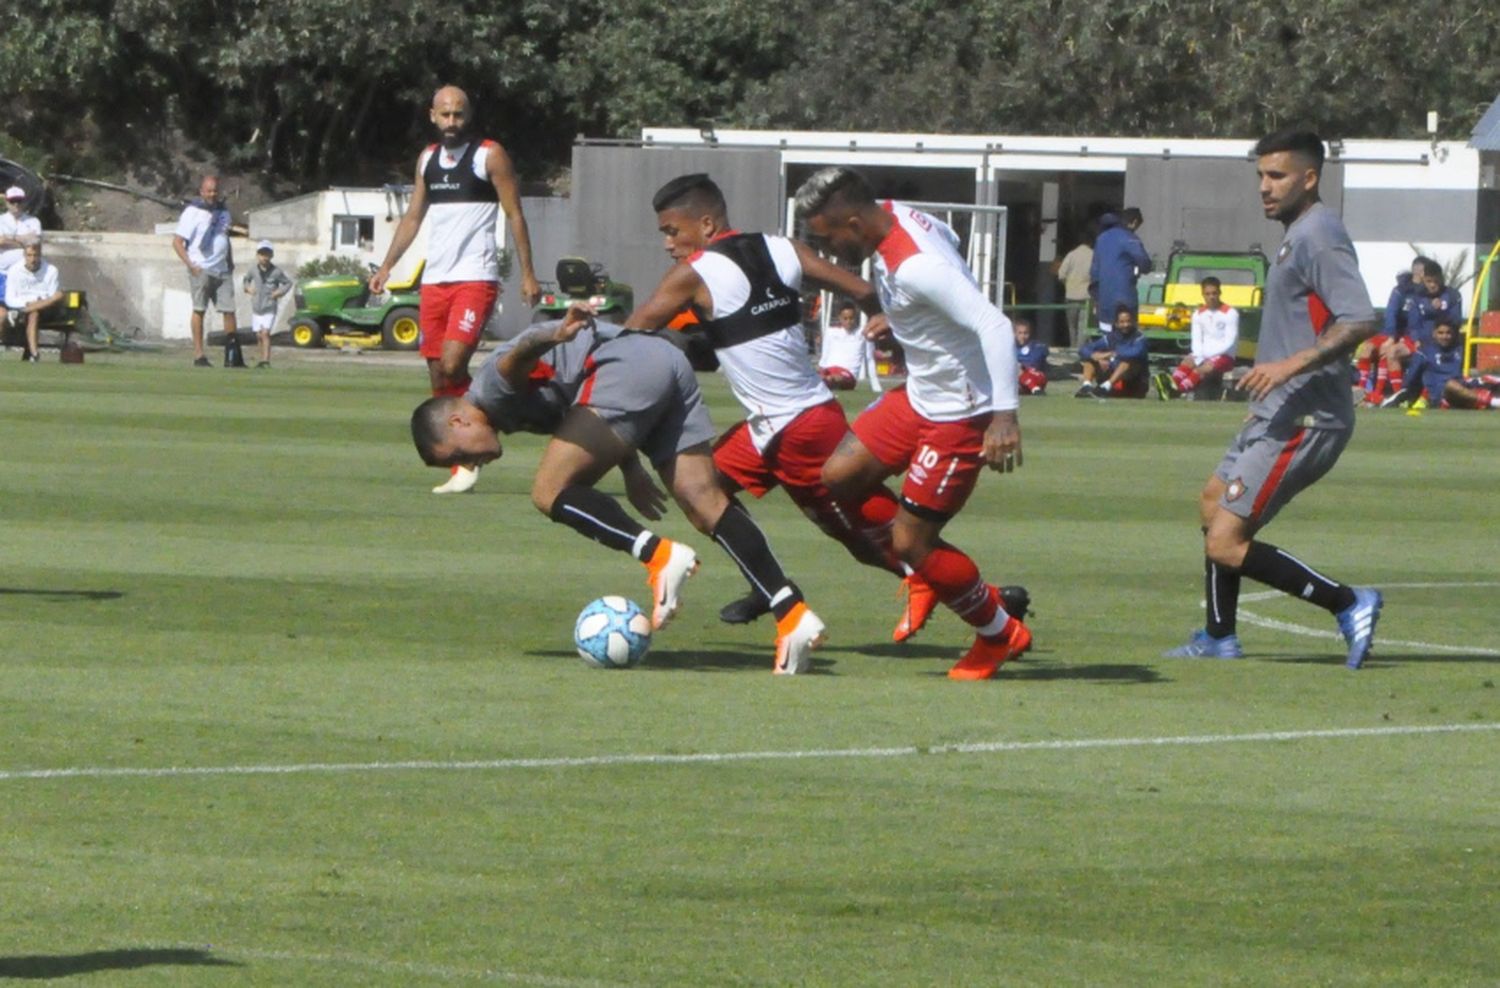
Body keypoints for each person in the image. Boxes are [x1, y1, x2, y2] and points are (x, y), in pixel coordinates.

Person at [410, 303, 828, 674]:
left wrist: (553, 333)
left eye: (455, 456)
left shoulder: (489, 389)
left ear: (456, 423)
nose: (465, 465)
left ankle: (661, 556)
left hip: (624, 365)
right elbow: (584, 417)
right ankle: (791, 611)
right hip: (663, 361)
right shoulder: (502, 414)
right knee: (706, 502)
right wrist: (629, 466)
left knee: (549, 491)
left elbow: (518, 354)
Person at [625, 173, 925, 638]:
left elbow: (630, 338)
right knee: (702, 489)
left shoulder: (693, 273)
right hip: (768, 427)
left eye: (672, 231)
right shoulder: (782, 247)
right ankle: (772, 587)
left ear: (705, 224)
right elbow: (865, 293)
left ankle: (980, 597)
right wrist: (889, 330)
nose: (668, 243)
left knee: (865, 539)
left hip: (802, 431)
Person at [794, 166, 1032, 681]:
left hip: (960, 414)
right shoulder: (897, 217)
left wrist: (1004, 415)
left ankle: (999, 634)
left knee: (912, 541)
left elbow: (992, 324)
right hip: (920, 396)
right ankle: (923, 571)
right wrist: (901, 322)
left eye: (828, 238)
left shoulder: (918, 266)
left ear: (854, 222)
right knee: (838, 478)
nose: (830, 252)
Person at [1163, 129, 1383, 669]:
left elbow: (1360, 319)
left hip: (1309, 415)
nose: (1264, 186)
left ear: (1309, 178)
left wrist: (1286, 368)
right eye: (1260, 175)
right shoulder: (1295, 235)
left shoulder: (1319, 234)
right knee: (1212, 503)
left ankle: (1348, 601)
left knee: (1225, 541)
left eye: (1277, 176)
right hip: (1278, 409)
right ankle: (1219, 636)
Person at [371, 84, 542, 495]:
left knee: (451, 364)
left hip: (474, 278)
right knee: (435, 371)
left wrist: (528, 273)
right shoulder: (428, 159)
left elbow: (514, 214)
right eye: (445, 115)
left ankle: (499, 419)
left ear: (469, 115)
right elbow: (413, 217)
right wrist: (388, 264)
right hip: (435, 280)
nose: (452, 122)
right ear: (432, 116)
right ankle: (462, 457)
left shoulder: (489, 155)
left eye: (459, 115)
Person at [1374, 258, 1463, 406]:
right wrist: (1416, 340)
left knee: (1427, 358)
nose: (1432, 285)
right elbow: (1413, 323)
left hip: (1444, 343)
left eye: (1435, 281)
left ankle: (1425, 397)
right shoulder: (1417, 296)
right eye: (1429, 281)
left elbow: (1456, 321)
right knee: (1392, 353)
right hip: (1419, 341)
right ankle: (1400, 395)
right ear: (1424, 280)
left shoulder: (1453, 295)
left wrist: (1439, 310)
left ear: (1441, 279)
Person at [173, 175, 238, 368]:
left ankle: (232, 355)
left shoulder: (224, 212)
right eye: (209, 190)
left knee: (229, 311)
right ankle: (199, 354)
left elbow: (225, 239)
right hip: (201, 267)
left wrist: (230, 262)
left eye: (215, 191)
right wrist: (191, 264)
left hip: (222, 269)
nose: (212, 194)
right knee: (199, 309)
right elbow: (177, 242)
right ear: (202, 192)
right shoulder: (192, 212)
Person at [1155, 276, 1239, 400]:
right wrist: (1198, 355)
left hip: (1225, 356)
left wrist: (1206, 356)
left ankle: (1177, 391)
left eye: (1214, 293)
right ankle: (1171, 384)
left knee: (1201, 370)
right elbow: (1196, 339)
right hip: (1204, 353)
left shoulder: (1230, 313)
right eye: (1208, 294)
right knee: (1187, 362)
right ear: (1203, 295)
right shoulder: (1198, 314)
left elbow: (1230, 342)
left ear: (1220, 293)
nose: (1211, 297)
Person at [1386, 321, 1500, 410]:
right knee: (1450, 384)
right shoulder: (1423, 352)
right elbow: (1410, 381)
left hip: (1462, 390)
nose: (1444, 336)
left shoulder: (1458, 350)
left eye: (1448, 333)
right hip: (1441, 396)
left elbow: (1461, 378)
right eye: (1441, 333)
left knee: (1489, 379)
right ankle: (1494, 402)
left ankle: (1484, 401)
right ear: (1434, 334)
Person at [1354, 260, 1424, 402]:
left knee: (1387, 351)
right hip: (1390, 334)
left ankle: (1387, 395)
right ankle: (1360, 391)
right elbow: (1390, 313)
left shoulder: (1426, 293)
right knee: (1367, 349)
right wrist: (1390, 336)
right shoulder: (1400, 290)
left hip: (1408, 336)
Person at [1088, 207, 1151, 335]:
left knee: (1106, 338)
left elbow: (1094, 271)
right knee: (1126, 338)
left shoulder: (1101, 238)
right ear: (1133, 222)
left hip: (1103, 300)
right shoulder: (1129, 238)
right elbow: (1145, 263)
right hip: (1125, 298)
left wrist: (1097, 297)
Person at [0, 185, 45, 353]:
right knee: (1, 315)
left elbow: (34, 242)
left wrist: (10, 239)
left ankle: (32, 353)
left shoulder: (33, 221)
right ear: (7, 201)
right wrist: (22, 240)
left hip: (25, 277)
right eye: (13, 201)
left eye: (19, 201)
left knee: (32, 312)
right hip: (3, 274)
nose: (16, 204)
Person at [3, 240, 62, 362]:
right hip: (22, 307)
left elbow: (52, 296)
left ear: (40, 255)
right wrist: (28, 303)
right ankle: (34, 354)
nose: (33, 259)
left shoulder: (51, 270)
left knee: (56, 297)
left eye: (36, 255)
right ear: (24, 256)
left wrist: (35, 304)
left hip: (46, 310)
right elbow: (10, 298)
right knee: (33, 313)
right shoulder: (15, 270)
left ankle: (33, 354)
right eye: (29, 255)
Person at [1075, 305, 1149, 398]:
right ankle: (1086, 387)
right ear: (1116, 324)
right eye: (1122, 322)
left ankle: (1106, 387)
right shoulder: (1111, 337)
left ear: (1133, 322)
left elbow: (1134, 353)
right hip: (1115, 377)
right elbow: (1084, 349)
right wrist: (1095, 356)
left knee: (1127, 361)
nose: (1125, 325)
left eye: (1128, 321)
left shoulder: (1139, 338)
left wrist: (1110, 357)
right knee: (1090, 359)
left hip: (1135, 384)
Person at [241, 240, 292, 369]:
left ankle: (266, 360)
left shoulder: (276, 271)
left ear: (271, 256)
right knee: (258, 334)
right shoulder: (253, 270)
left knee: (265, 333)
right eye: (262, 254)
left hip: (269, 306)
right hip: (257, 307)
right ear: (257, 255)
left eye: (267, 254)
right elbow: (246, 280)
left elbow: (287, 283)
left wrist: (279, 292)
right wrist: (247, 288)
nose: (264, 257)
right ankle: (261, 358)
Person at [817, 299, 871, 391]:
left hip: (847, 374)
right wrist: (821, 370)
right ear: (840, 318)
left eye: (851, 318)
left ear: (856, 317)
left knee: (835, 378)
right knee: (814, 376)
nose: (848, 321)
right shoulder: (831, 332)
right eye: (845, 318)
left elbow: (870, 357)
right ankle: (824, 382)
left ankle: (828, 382)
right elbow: (825, 356)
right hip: (829, 369)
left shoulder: (862, 333)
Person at [1052, 234, 1093, 345]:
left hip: (1071, 297)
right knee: (1083, 328)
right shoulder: (1094, 255)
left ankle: (1072, 348)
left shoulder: (1071, 255)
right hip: (1087, 297)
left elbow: (1061, 274)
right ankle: (1080, 351)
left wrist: (1068, 284)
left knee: (1072, 327)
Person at [1014, 317, 1049, 395]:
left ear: (1030, 333)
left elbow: (1034, 362)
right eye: (1020, 333)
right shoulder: (1010, 348)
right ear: (1015, 334)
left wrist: (1021, 365)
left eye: (1025, 333)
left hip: (1036, 377)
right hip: (1021, 382)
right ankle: (1034, 390)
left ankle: (1034, 387)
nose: (1023, 336)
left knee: (1016, 366)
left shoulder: (1037, 346)